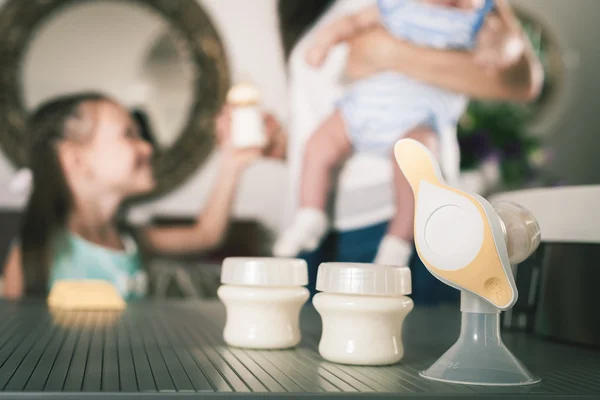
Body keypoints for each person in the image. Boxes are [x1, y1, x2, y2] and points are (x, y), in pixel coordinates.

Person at [219, 0, 543, 299]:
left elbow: (522, 79)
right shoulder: (304, 8)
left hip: (390, 218)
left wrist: (387, 51)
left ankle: (397, 242)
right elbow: (331, 91)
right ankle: (310, 216)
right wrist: (281, 145)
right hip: (313, 224)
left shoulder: (460, 9)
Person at [273, 0, 499, 265]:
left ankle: (397, 242)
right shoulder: (395, 7)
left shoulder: (474, 17)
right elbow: (350, 28)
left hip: (415, 123)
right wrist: (323, 44)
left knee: (415, 162)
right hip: (366, 110)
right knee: (319, 145)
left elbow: (518, 70)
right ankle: (310, 215)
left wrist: (496, 50)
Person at [2, 92, 259, 299]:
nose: (148, 147)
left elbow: (206, 235)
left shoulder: (131, 239)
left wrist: (231, 164)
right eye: (129, 135)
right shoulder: (33, 252)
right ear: (76, 159)